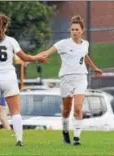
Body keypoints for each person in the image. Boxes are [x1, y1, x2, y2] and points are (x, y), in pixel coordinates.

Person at [0, 14, 49, 147]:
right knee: (15, 112)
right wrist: (37, 58)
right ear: (6, 26)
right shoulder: (11, 41)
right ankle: (19, 141)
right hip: (9, 79)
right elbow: (25, 58)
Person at [38, 15, 103, 146]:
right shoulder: (62, 44)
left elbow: (84, 56)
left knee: (78, 108)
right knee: (67, 110)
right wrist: (31, 59)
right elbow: (46, 53)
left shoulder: (86, 44)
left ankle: (77, 139)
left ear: (82, 31)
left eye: (76, 29)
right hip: (66, 79)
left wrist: (94, 68)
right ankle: (65, 132)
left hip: (81, 78)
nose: (74, 31)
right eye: (72, 29)